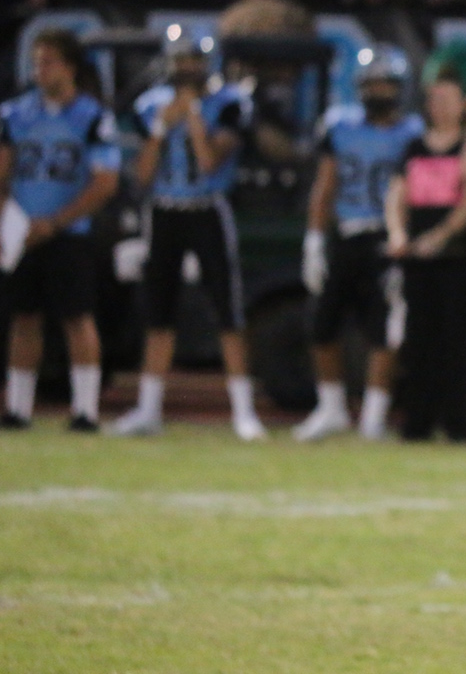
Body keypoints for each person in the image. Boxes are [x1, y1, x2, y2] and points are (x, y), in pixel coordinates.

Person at [111, 36, 265, 440]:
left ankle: (244, 412)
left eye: (193, 60)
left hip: (208, 208)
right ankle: (148, 409)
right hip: (164, 210)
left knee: (228, 311)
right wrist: (162, 127)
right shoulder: (152, 105)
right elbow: (142, 174)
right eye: (180, 60)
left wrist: (193, 116)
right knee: (158, 312)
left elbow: (209, 161)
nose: (186, 69)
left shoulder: (229, 103)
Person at [293, 44, 423, 442]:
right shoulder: (340, 126)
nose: (378, 91)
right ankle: (331, 407)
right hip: (346, 234)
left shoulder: (412, 132)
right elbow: (325, 185)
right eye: (372, 84)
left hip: (386, 237)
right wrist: (314, 239)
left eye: (385, 84)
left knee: (383, 331)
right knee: (322, 324)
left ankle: (373, 416)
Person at [0, 28, 120, 432]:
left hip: (69, 232)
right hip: (22, 230)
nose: (40, 71)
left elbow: (104, 183)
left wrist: (54, 223)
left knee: (77, 317)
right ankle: (18, 408)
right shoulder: (15, 115)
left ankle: (85, 410)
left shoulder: (92, 117)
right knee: (23, 318)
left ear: (69, 67)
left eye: (48, 62)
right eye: (37, 63)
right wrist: (11, 221)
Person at [384, 65, 466, 443]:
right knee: (418, 340)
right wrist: (398, 233)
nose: (439, 106)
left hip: (456, 257)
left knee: (455, 341)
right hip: (417, 259)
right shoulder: (414, 147)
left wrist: (441, 236)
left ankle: (457, 424)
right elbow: (397, 194)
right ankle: (417, 421)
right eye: (434, 99)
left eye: (447, 99)